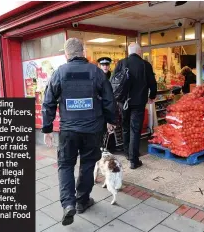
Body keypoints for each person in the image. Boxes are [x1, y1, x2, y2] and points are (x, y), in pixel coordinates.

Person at [41, 38, 116, 226]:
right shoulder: (97, 72)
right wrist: (110, 121)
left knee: (65, 165)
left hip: (69, 131)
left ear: (67, 54)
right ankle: (82, 201)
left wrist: (47, 128)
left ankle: (68, 204)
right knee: (88, 165)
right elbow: (109, 100)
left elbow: (48, 102)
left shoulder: (59, 73)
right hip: (92, 130)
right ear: (83, 52)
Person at [113, 42, 157, 169]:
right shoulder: (145, 65)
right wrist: (152, 97)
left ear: (129, 51)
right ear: (139, 52)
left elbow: (113, 82)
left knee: (125, 127)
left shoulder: (121, 63)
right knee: (135, 130)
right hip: (138, 102)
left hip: (123, 102)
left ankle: (127, 152)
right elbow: (153, 84)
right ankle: (134, 159)